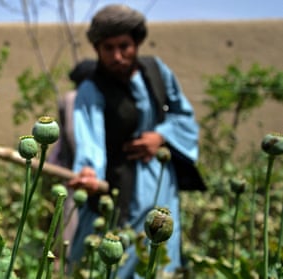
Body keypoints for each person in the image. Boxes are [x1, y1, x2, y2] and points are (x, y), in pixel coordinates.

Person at [67, 4, 200, 278]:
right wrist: (89, 172)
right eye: (108, 48)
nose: (117, 56)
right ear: (97, 49)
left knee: (159, 256)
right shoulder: (91, 89)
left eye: (124, 46)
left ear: (136, 43)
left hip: (161, 182)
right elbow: (89, 140)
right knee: (110, 258)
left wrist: (161, 137)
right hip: (117, 187)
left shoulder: (157, 72)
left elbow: (184, 117)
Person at [46, 59, 96, 260]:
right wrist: (86, 164)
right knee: (71, 222)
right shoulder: (74, 98)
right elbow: (72, 132)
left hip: (82, 170)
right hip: (75, 171)